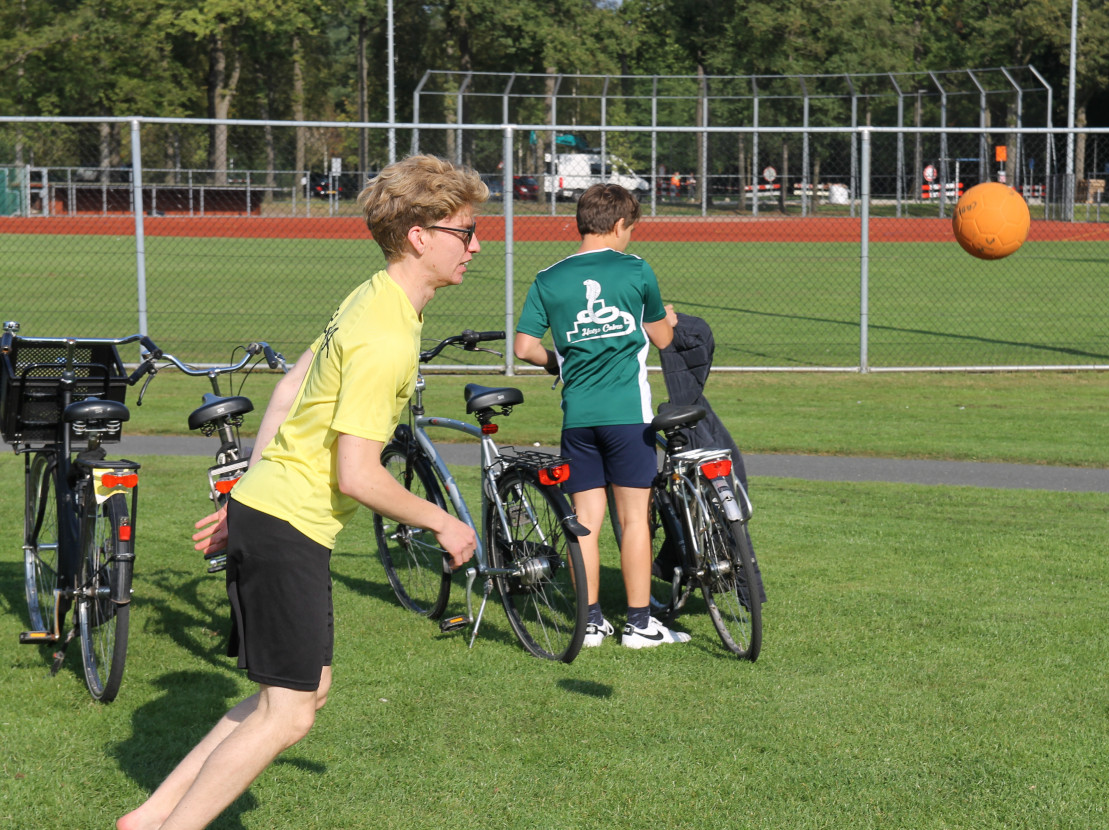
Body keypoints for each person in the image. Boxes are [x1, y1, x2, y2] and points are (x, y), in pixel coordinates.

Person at [117, 155, 486, 830]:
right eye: (465, 231)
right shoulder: (385, 336)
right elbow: (358, 475)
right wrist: (446, 522)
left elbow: (290, 390)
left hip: (273, 512)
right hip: (290, 524)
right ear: (419, 236)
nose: (477, 245)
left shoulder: (373, 296)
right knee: (287, 713)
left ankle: (150, 819)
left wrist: (240, 498)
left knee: (300, 694)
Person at [513, 182, 687, 650]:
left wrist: (559, 361)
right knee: (634, 521)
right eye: (630, 228)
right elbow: (663, 339)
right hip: (629, 415)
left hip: (578, 419)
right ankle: (638, 623)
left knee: (583, 521)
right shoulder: (635, 270)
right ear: (617, 225)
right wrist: (667, 317)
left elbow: (524, 347)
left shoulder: (548, 277)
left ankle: (589, 622)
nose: (630, 237)